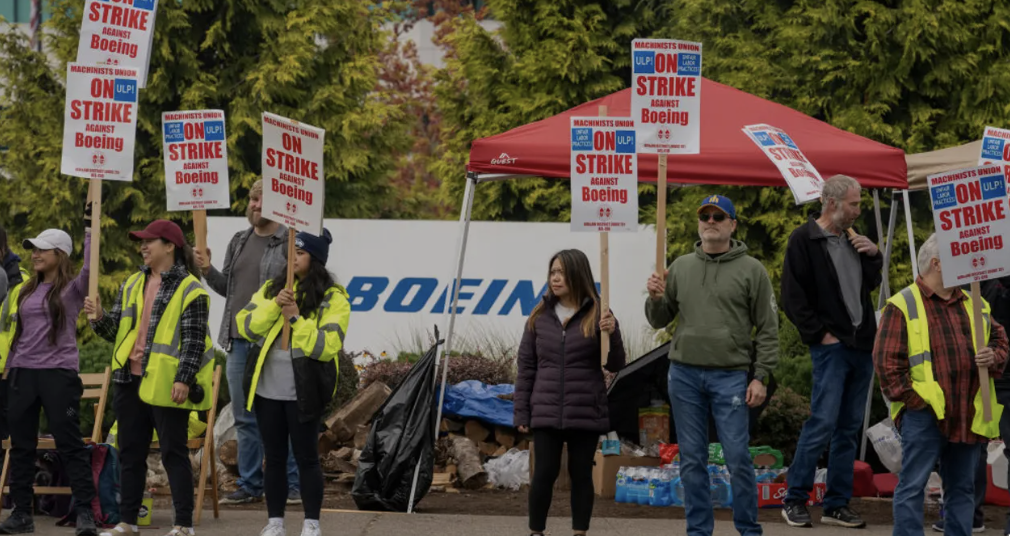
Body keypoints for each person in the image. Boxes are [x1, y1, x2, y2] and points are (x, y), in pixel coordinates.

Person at [644, 194, 778, 536]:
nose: (711, 221)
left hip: (731, 376)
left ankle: (749, 529)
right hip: (684, 375)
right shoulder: (681, 266)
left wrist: (759, 376)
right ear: (699, 223)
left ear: (733, 224)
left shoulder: (753, 270)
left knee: (738, 457)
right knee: (691, 460)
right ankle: (698, 531)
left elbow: (767, 328)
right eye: (706, 215)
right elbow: (659, 320)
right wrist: (655, 297)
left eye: (719, 216)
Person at [85, 220, 216, 536]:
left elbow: (194, 340)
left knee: (173, 454)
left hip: (167, 385)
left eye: (150, 241)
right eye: (141, 242)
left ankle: (183, 524)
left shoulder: (190, 289)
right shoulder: (132, 283)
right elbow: (116, 329)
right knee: (130, 453)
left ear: (170, 246)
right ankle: (127, 522)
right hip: (128, 381)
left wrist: (183, 379)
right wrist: (99, 317)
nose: (143, 246)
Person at [875, 233, 1009, 536]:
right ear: (937, 263)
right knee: (913, 486)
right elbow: (887, 364)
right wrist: (915, 404)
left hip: (965, 413)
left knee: (962, 488)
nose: (966, 266)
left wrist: (994, 355)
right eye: (957, 259)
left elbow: (1000, 339)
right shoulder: (903, 303)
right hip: (924, 416)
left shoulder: (974, 302)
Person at [780, 175, 883, 529]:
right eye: (853, 204)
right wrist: (819, 335)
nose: (858, 210)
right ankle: (795, 498)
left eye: (859, 203)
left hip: (861, 343)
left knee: (849, 426)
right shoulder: (804, 239)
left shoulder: (852, 239)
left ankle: (836, 503)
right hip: (832, 347)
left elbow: (868, 286)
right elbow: (792, 298)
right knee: (823, 421)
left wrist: (874, 257)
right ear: (831, 203)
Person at [235, 229, 349, 536]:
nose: (292, 258)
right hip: (267, 389)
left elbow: (327, 346)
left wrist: (296, 318)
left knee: (307, 458)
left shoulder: (333, 297)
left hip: (305, 390)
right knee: (273, 458)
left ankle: (312, 523)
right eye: (290, 252)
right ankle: (275, 522)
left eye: (299, 253)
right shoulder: (272, 289)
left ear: (316, 259)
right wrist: (275, 306)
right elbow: (244, 325)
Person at [196, 180, 300, 505]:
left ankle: (292, 485)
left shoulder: (289, 242)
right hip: (238, 342)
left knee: (282, 415)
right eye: (253, 199)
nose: (255, 206)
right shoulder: (239, 240)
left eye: (263, 201)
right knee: (244, 416)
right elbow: (229, 288)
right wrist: (207, 269)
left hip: (273, 343)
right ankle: (252, 485)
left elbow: (299, 284)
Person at [0, 208, 98, 535]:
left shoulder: (72, 290)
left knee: (69, 443)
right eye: (33, 249)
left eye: (42, 249)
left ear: (61, 254)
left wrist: (89, 223)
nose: (35, 254)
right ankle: (21, 514)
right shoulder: (25, 289)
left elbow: (91, 263)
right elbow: (17, 332)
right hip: (21, 373)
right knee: (22, 446)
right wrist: (8, 369)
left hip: (58, 374)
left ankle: (85, 513)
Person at [515, 249, 626, 536]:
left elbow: (615, 364)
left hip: (585, 409)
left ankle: (580, 533)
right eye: (552, 272)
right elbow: (526, 368)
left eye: (561, 272)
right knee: (543, 474)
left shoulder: (600, 313)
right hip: (545, 409)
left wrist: (612, 333)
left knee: (580, 476)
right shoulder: (538, 317)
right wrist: (522, 411)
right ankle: (536, 532)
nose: (555, 278)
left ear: (577, 274)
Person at [930, 274, 1010, 534]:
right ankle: (968, 514)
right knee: (970, 446)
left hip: (1005, 372)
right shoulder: (966, 276)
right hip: (973, 372)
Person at [0, 223, 28, 441]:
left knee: (10, 438)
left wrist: (11, 366)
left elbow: (26, 332)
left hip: (10, 375)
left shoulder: (23, 284)